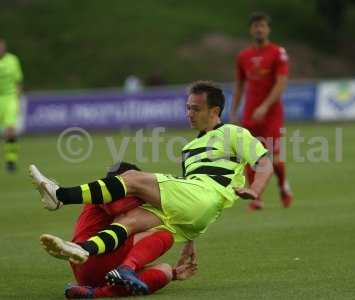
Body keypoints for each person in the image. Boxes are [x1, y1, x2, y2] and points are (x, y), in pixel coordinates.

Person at [30, 80, 274, 294]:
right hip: (194, 206)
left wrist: (256, 190)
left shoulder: (232, 132)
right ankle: (83, 249)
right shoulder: (189, 149)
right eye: (187, 108)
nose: (189, 113)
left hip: (204, 194)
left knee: (133, 179)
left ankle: (60, 196)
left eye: (196, 109)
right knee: (130, 221)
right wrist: (190, 239)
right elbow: (188, 202)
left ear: (215, 111)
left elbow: (264, 162)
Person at [43, 162, 197, 298]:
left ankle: (93, 292)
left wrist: (175, 274)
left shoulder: (101, 194)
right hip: (92, 258)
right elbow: (116, 207)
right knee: (165, 236)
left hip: (87, 270)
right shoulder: (109, 196)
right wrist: (155, 197)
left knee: (166, 271)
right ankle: (123, 271)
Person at [229, 12, 293, 210]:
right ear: (251, 29)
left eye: (262, 26)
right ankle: (256, 196)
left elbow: (281, 83)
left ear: (268, 29)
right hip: (250, 113)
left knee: (273, 158)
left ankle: (283, 186)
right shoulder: (243, 56)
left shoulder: (277, 53)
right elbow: (239, 85)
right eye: (256, 26)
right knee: (249, 155)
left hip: (271, 115)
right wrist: (233, 110)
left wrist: (265, 106)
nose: (259, 29)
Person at [0, 38, 23, 172]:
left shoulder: (13, 60)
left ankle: (11, 160)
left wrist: (17, 95)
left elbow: (18, 80)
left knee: (10, 129)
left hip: (10, 98)